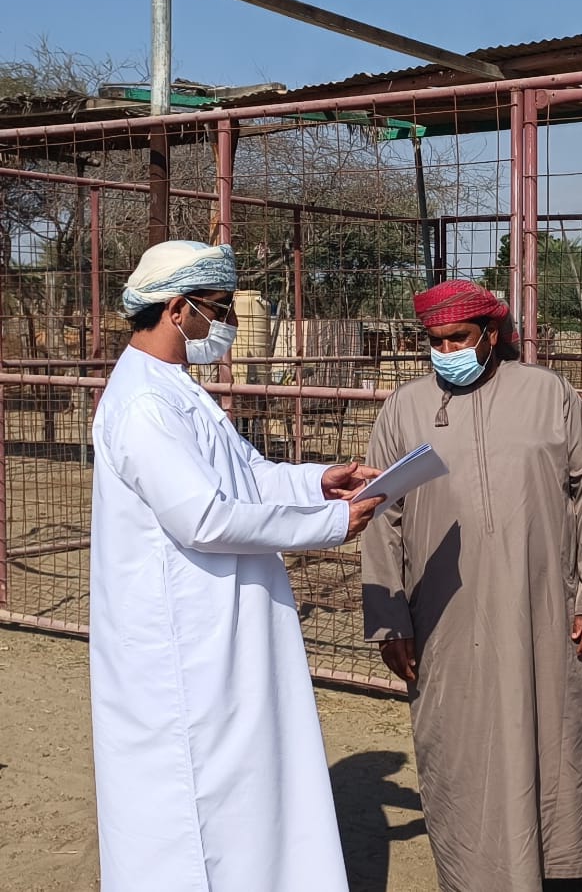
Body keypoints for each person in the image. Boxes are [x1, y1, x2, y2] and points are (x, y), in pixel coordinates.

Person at [89, 239, 385, 892]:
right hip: (183, 649)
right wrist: (328, 525)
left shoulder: (175, 388)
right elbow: (205, 516)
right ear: (176, 309)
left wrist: (318, 483)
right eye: (217, 309)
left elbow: (247, 475)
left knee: (245, 793)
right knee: (195, 808)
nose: (224, 324)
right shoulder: (143, 404)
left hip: (223, 630)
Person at [359, 278, 582, 892]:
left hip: (546, 609)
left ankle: (575, 871)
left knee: (559, 744)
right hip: (444, 619)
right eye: (435, 340)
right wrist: (388, 615)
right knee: (460, 748)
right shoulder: (404, 409)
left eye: (458, 337)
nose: (446, 349)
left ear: (492, 335)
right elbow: (382, 517)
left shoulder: (549, 394)